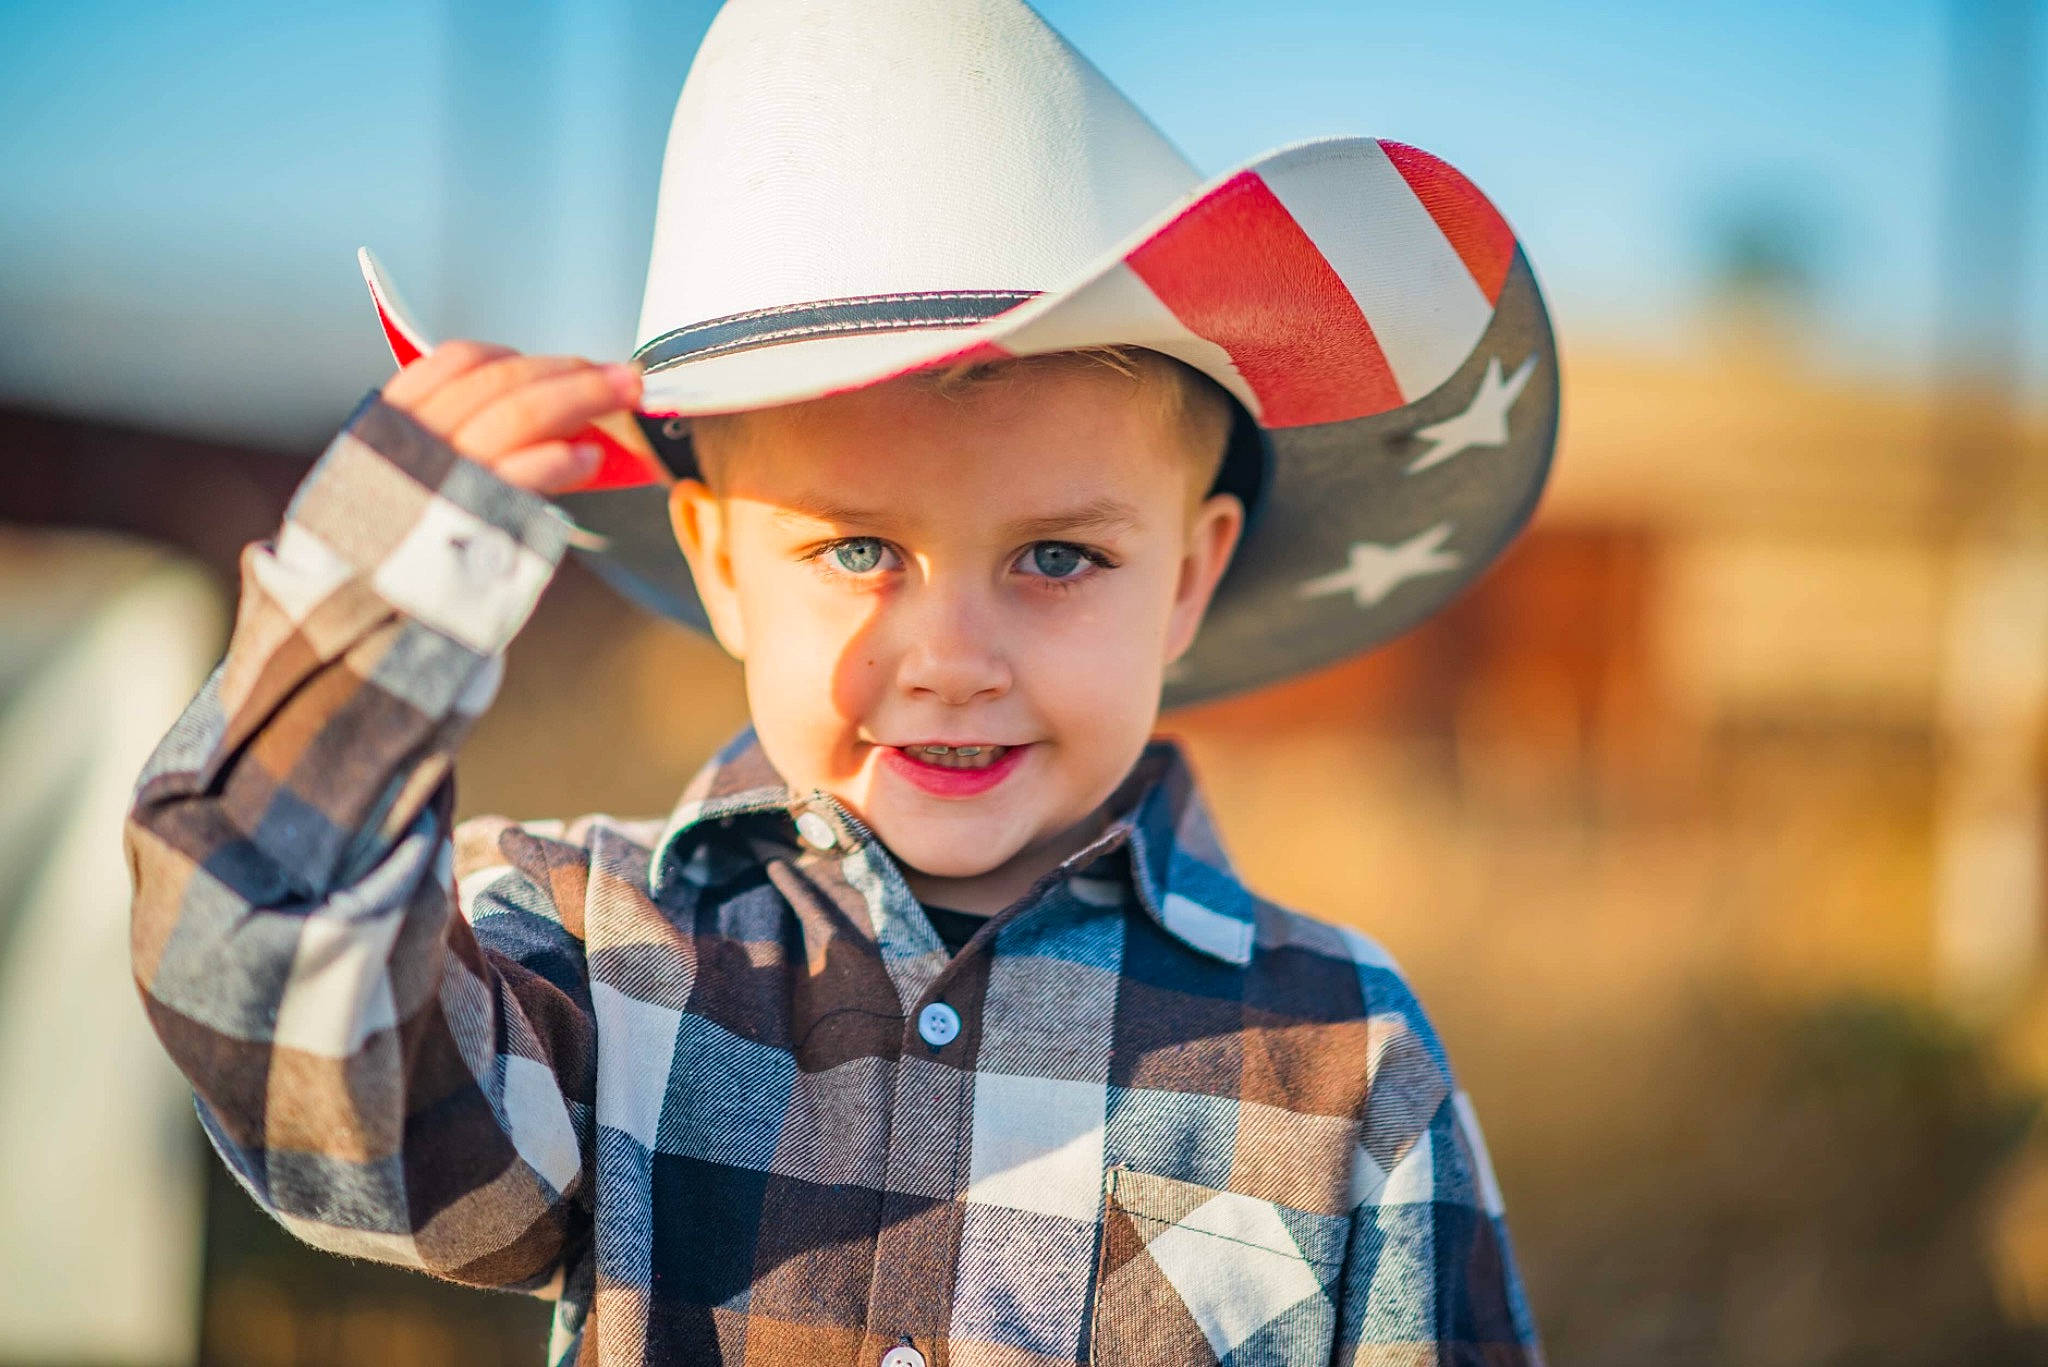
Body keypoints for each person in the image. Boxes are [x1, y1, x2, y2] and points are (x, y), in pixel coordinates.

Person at [125, 1, 1558, 1362]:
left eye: (1058, 557)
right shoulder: (593, 959)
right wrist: (370, 609)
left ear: (1189, 574)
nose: (949, 658)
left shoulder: (1341, 1051)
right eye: (858, 546)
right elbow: (313, 1096)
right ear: (719, 566)